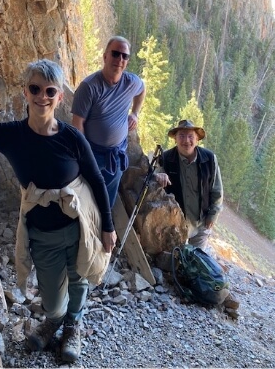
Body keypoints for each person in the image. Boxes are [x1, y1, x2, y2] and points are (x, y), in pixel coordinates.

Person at [0, 59, 117, 363]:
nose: (42, 96)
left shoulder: (72, 138)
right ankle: (55, 318)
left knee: (80, 278)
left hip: (78, 226)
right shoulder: (12, 135)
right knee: (53, 299)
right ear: (24, 93)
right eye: (35, 88)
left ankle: (73, 325)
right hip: (43, 235)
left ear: (59, 97)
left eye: (50, 90)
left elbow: (95, 180)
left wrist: (107, 226)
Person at [71, 35, 146, 208]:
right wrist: (85, 156)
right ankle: (84, 229)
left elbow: (143, 90)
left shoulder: (131, 82)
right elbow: (77, 124)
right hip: (93, 154)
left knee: (107, 200)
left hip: (116, 153)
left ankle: (102, 229)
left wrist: (135, 113)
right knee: (85, 196)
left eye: (124, 56)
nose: (120, 59)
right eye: (115, 53)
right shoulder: (89, 87)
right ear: (105, 56)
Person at [155, 119, 223, 251]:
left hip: (201, 222)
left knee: (195, 260)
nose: (186, 141)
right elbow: (154, 176)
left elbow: (217, 190)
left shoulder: (209, 159)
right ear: (175, 139)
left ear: (197, 139)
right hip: (174, 223)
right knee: (173, 259)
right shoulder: (166, 158)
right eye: (181, 136)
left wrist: (213, 215)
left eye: (191, 136)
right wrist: (158, 175)